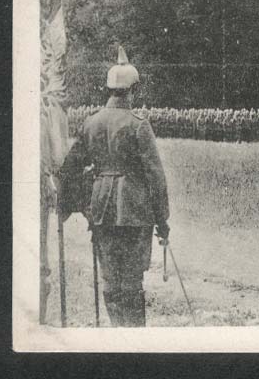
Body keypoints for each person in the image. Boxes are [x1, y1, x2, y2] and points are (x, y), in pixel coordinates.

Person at [58, 47, 170, 326]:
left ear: (109, 89)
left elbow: (69, 168)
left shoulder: (91, 122)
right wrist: (162, 219)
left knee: (110, 276)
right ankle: (133, 336)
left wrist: (76, 204)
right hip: (134, 211)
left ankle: (116, 332)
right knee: (132, 278)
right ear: (132, 90)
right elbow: (155, 176)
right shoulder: (138, 125)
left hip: (101, 211)